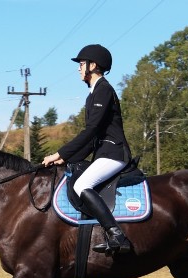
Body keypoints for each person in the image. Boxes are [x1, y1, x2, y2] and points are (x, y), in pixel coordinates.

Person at [42, 44, 132, 255]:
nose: (79, 69)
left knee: (82, 184)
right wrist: (66, 160)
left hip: (114, 153)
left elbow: (91, 131)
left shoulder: (104, 90)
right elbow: (92, 140)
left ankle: (117, 235)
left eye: (82, 64)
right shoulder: (93, 94)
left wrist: (60, 153)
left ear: (93, 65)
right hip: (103, 152)